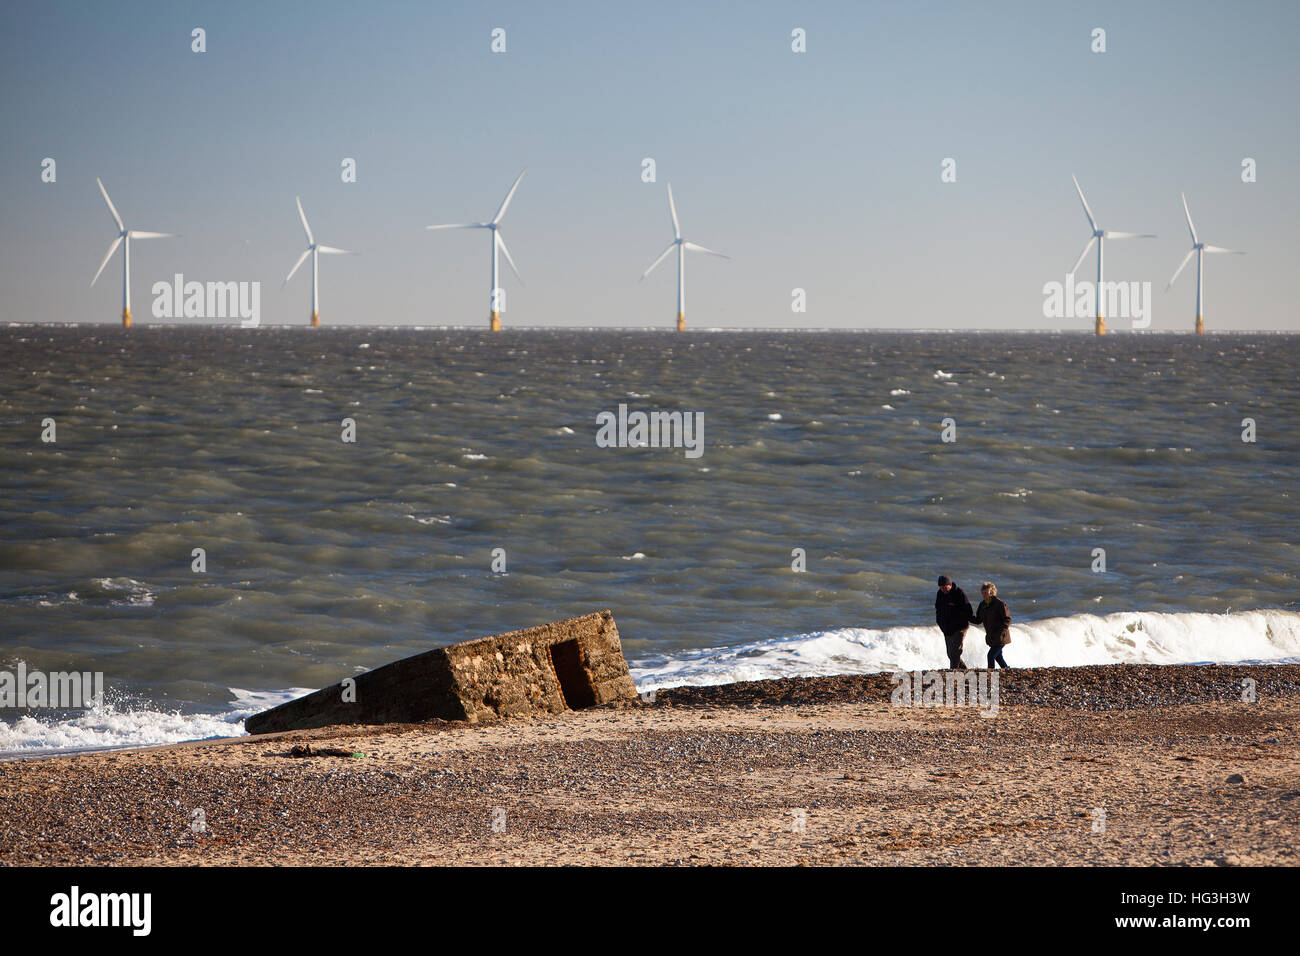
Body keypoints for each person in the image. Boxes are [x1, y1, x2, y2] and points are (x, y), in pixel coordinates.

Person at [934, 575, 972, 669]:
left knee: (955, 652)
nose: (943, 589)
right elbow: (938, 610)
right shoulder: (940, 594)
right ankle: (965, 670)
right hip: (947, 629)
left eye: (945, 587)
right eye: (941, 587)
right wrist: (941, 624)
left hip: (960, 627)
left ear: (950, 585)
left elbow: (968, 610)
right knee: (950, 654)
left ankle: (953, 673)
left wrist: (960, 619)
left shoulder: (959, 593)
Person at [972, 581, 1011, 669]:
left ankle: (991, 677)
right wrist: (967, 617)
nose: (983, 595)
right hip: (992, 637)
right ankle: (1007, 671)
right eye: (982, 593)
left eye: (985, 593)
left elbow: (1007, 619)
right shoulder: (982, 605)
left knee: (990, 656)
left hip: (1001, 637)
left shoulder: (999, 604)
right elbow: (978, 620)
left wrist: (1000, 632)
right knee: (998, 657)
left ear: (992, 593)